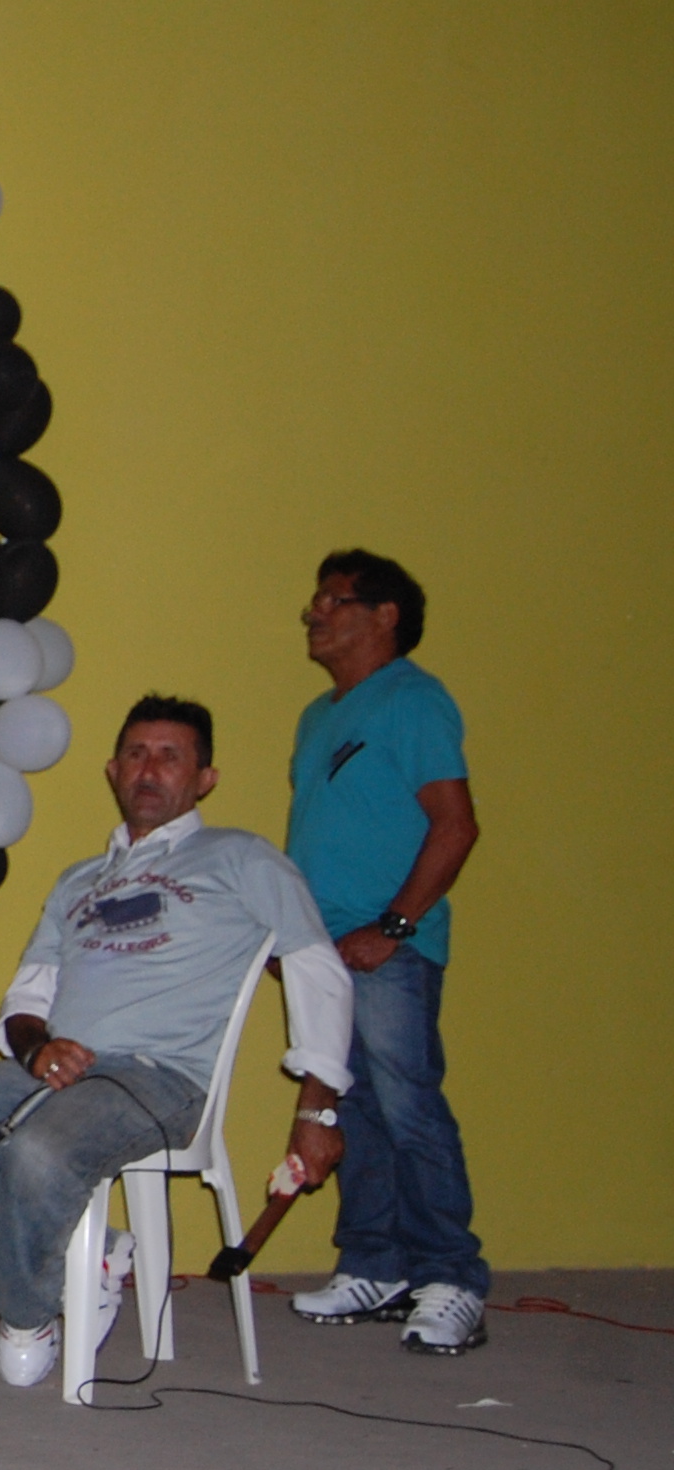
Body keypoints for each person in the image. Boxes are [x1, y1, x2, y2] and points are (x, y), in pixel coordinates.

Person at [0, 697, 355, 1387]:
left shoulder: (241, 857)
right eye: (137, 755)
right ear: (113, 771)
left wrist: (317, 1109)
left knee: (38, 1153)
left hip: (160, 1077)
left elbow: (316, 969)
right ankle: (92, 1253)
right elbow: (26, 998)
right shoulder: (78, 881)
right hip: (58, 1068)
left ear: (205, 778)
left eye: (171, 757)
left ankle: (29, 1310)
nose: (149, 770)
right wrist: (37, 1049)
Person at [285, 550, 486, 1354]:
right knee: (352, 1106)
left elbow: (456, 825)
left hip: (386, 950)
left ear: (385, 615)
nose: (314, 613)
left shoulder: (414, 700)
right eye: (314, 601)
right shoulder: (316, 716)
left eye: (332, 600)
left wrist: (394, 927)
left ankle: (451, 1276)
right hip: (323, 949)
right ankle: (375, 1263)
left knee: (407, 1105)